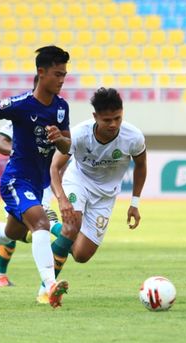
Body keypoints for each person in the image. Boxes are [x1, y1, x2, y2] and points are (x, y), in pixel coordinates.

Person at [0, 45, 71, 308]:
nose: (62, 79)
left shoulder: (61, 107)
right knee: (41, 224)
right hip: (16, 180)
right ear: (41, 73)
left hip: (40, 181)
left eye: (64, 74)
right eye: (57, 74)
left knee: (12, 233)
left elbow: (68, 147)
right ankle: (49, 285)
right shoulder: (20, 105)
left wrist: (60, 139)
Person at [47, 87, 147, 288]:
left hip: (105, 195)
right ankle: (46, 287)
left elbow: (141, 166)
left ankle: (50, 223)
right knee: (72, 227)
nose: (113, 124)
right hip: (78, 182)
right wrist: (62, 199)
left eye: (117, 118)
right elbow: (54, 168)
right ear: (95, 116)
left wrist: (134, 203)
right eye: (107, 120)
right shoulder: (79, 134)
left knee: (81, 255)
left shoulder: (133, 137)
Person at [0, 116, 59, 287]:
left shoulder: (57, 116)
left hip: (43, 183)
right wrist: (20, 151)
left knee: (21, 233)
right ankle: (2, 275)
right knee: (41, 225)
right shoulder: (21, 114)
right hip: (19, 181)